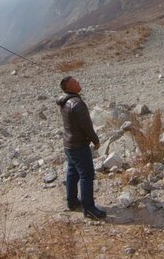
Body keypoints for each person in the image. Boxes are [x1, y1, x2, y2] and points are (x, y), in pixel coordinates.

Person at [56, 76, 107, 220]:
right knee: (87, 175)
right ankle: (89, 209)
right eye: (74, 82)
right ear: (69, 88)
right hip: (79, 145)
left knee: (73, 172)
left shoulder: (64, 102)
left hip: (69, 144)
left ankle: (72, 202)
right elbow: (87, 126)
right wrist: (95, 140)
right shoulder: (77, 104)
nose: (78, 83)